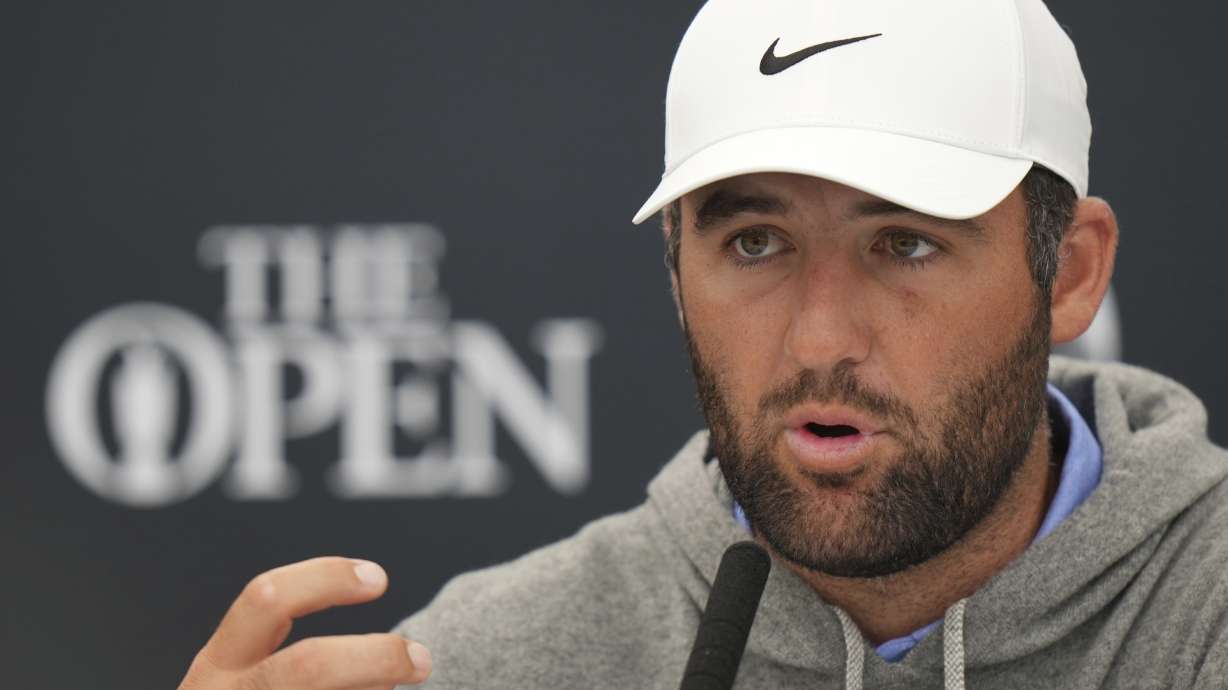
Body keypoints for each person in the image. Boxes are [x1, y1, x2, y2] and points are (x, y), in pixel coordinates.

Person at [177, 1, 1228, 688]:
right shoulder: (490, 663)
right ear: (676, 267)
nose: (818, 339)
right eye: (755, 241)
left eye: (904, 242)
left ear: (1073, 271)